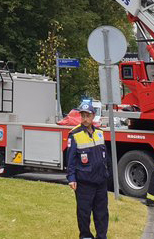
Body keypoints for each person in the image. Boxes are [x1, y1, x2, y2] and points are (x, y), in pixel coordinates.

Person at [67, 101, 110, 239]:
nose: (85, 118)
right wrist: (71, 178)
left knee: (102, 213)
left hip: (100, 181)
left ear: (93, 116)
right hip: (85, 182)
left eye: (88, 115)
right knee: (84, 213)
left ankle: (101, 236)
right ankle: (85, 236)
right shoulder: (74, 134)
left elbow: (105, 157)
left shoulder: (99, 133)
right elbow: (71, 159)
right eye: (83, 115)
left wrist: (106, 173)